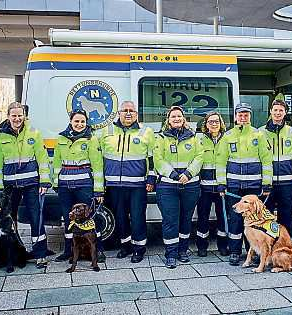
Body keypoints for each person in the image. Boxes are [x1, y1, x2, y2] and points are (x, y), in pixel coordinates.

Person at [0, 102, 52, 268]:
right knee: (8, 220)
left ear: (24, 116)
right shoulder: (0, 136)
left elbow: (43, 159)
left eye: (20, 115)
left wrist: (44, 181)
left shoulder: (34, 133)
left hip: (32, 183)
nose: (17, 118)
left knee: (36, 217)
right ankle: (13, 252)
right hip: (9, 187)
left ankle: (40, 254)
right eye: (14, 115)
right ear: (8, 116)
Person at [216, 103, 273, 266]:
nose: (243, 117)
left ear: (250, 117)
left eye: (246, 114)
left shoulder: (259, 135)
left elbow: (266, 161)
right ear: (235, 117)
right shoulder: (227, 136)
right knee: (234, 219)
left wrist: (267, 184)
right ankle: (234, 252)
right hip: (233, 187)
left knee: (254, 220)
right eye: (240, 114)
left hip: (254, 186)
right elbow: (220, 162)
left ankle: (253, 252)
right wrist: (221, 184)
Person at [98, 100, 155, 263]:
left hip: (138, 185)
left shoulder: (146, 131)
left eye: (131, 111)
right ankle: (125, 246)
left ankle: (139, 248)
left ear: (136, 114)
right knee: (120, 218)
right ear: (119, 113)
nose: (128, 113)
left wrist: (151, 178)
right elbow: (99, 159)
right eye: (125, 110)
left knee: (137, 218)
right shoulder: (107, 131)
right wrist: (100, 183)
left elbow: (152, 158)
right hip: (114, 185)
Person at [52, 109, 106, 263]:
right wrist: (56, 182)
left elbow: (97, 166)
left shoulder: (92, 139)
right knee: (68, 220)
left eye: (83, 121)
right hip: (65, 187)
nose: (80, 124)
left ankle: (99, 250)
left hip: (84, 185)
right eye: (77, 121)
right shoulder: (61, 138)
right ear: (71, 121)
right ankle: (68, 251)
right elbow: (56, 162)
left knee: (91, 219)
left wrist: (98, 190)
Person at [155, 106, 203, 268]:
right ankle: (171, 253)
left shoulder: (194, 137)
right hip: (168, 186)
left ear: (184, 119)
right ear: (168, 120)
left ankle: (183, 250)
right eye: (173, 116)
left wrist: (188, 174)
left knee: (185, 220)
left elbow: (199, 157)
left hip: (190, 186)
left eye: (179, 116)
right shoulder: (161, 138)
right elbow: (158, 159)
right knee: (170, 220)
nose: (176, 118)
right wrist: (174, 175)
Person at [259, 100, 292, 236]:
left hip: (287, 182)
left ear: (285, 113)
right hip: (268, 182)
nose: (278, 113)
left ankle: (285, 244)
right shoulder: (260, 132)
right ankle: (269, 245)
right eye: (275, 110)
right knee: (267, 216)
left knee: (286, 215)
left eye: (281, 110)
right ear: (270, 112)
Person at [195, 111, 228, 257]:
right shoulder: (199, 139)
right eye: (210, 122)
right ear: (206, 125)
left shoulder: (227, 139)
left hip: (222, 187)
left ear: (221, 124)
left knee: (223, 217)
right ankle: (202, 246)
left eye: (216, 121)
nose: (214, 124)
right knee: (203, 217)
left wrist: (225, 184)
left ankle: (222, 245)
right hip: (204, 187)